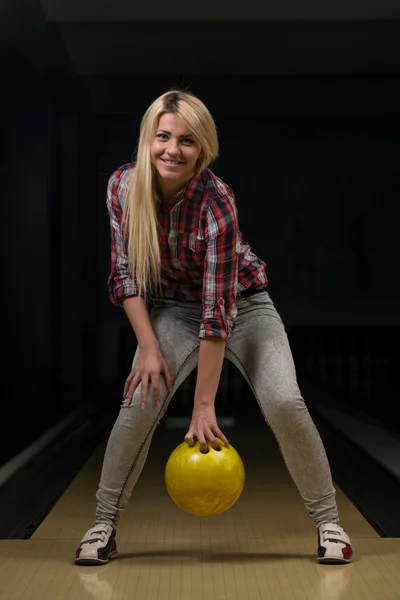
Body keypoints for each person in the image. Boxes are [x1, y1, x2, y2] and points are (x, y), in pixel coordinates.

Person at [75, 90, 353, 566]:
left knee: (286, 402)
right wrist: (148, 346)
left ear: (202, 150)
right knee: (138, 400)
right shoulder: (122, 186)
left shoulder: (216, 200)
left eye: (187, 141)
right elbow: (123, 274)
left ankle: (329, 523)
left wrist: (204, 405)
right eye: (163, 136)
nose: (172, 150)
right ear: (147, 138)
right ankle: (103, 525)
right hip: (170, 310)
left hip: (244, 309)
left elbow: (216, 311)